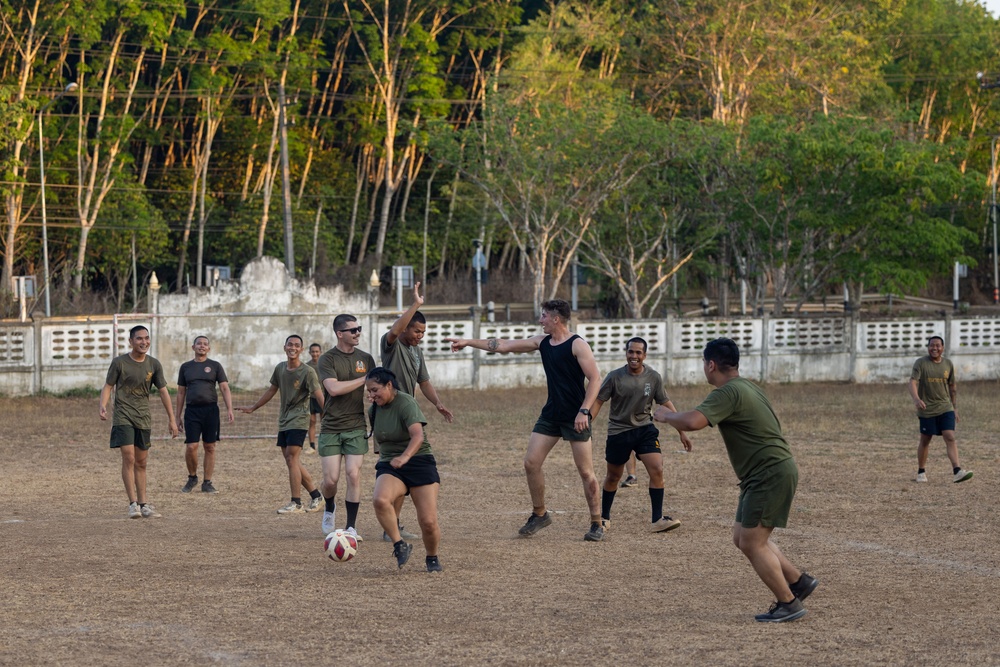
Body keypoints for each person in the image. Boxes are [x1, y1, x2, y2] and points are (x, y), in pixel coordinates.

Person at [653, 337, 817, 623]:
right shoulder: (748, 386)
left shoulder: (727, 392)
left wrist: (666, 416)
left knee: (754, 543)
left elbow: (694, 421)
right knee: (743, 538)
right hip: (766, 471)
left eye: (704, 363)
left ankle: (789, 603)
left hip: (768, 472)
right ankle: (798, 581)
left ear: (711, 364)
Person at [445, 298, 603, 541]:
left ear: (555, 319)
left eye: (543, 316)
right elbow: (504, 345)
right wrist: (468, 342)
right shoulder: (542, 342)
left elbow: (595, 379)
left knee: (585, 472)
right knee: (531, 463)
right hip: (551, 414)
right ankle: (540, 514)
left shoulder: (578, 345)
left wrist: (584, 411)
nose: (540, 320)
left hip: (575, 416)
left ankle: (596, 523)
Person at [589, 337, 691, 539]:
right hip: (619, 431)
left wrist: (681, 430)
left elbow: (665, 402)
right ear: (626, 353)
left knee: (657, 469)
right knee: (613, 477)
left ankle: (657, 519)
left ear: (644, 355)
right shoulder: (614, 377)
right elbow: (599, 401)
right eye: (631, 352)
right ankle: (605, 518)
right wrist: (587, 421)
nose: (634, 356)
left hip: (644, 429)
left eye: (638, 353)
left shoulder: (653, 377)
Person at [379, 281, 454, 542]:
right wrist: (416, 304)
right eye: (417, 331)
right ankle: (392, 527)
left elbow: (424, 381)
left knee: (406, 465)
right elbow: (396, 329)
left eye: (423, 332)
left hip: (407, 413)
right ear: (407, 326)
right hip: (387, 415)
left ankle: (393, 527)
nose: (419, 336)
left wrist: (437, 403)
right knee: (392, 470)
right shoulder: (391, 344)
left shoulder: (416, 351)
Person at [366, 367, 444, 572]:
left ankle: (432, 557)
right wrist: (396, 459)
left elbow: (417, 436)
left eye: (375, 390)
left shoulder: (406, 403)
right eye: (369, 391)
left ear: (389, 385)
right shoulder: (373, 409)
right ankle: (399, 545)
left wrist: (405, 457)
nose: (371, 395)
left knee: (427, 521)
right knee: (380, 500)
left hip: (418, 461)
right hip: (392, 464)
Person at [237, 335, 325, 515]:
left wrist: (330, 415)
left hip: (299, 419)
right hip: (284, 420)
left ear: (301, 349)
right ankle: (317, 496)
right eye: (290, 344)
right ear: (284, 347)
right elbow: (271, 390)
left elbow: (318, 393)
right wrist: (254, 407)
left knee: (292, 459)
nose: (293, 347)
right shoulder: (280, 368)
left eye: (297, 345)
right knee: (290, 460)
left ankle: (296, 503)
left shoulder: (307, 372)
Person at [99, 324, 179, 519]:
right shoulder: (119, 363)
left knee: (141, 462)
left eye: (146, 338)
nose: (144, 342)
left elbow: (163, 392)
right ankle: (132, 504)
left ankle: (144, 504)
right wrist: (103, 405)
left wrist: (172, 419)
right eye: (139, 338)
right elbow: (108, 386)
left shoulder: (154, 364)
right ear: (131, 341)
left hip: (143, 418)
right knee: (129, 457)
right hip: (123, 416)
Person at [317, 314, 376, 541]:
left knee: (353, 474)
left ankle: (351, 527)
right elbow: (333, 389)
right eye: (353, 330)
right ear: (340, 333)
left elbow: (374, 387)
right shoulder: (327, 359)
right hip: (331, 426)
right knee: (331, 480)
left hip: (355, 425)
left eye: (359, 328)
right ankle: (329, 507)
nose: (358, 333)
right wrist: (365, 380)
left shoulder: (366, 358)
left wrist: (374, 394)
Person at [909, 335, 973, 483]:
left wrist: (955, 407)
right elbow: (912, 382)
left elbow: (952, 387)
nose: (934, 348)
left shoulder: (948, 364)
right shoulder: (920, 363)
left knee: (950, 435)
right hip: (927, 409)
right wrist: (916, 399)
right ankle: (921, 471)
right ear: (928, 347)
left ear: (942, 348)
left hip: (946, 407)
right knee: (925, 440)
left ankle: (957, 471)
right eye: (932, 345)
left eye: (938, 345)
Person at [176, 335, 234, 494]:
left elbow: (224, 388)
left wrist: (229, 408)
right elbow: (181, 393)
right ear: (193, 347)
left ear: (208, 348)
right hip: (192, 411)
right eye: (199, 343)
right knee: (191, 446)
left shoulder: (215, 366)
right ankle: (192, 477)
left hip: (211, 411)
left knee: (210, 446)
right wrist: (177, 416)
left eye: (205, 344)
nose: (202, 346)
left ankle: (207, 482)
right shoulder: (186, 367)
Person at [305, 343, 323, 454]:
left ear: (320, 352)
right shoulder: (306, 367)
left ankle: (324, 444)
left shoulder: (325, 365)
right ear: (309, 353)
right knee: (311, 421)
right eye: (313, 351)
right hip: (310, 398)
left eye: (317, 351)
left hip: (322, 397)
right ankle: (312, 446)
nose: (315, 354)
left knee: (324, 421)